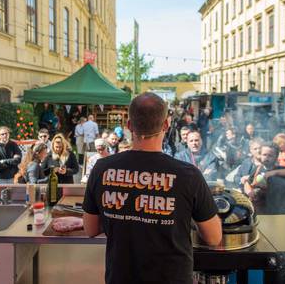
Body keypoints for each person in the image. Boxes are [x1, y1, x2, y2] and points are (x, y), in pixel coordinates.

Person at [82, 92, 222, 284]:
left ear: (129, 126)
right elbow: (214, 237)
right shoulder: (188, 175)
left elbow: (90, 228)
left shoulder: (102, 168)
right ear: (166, 125)